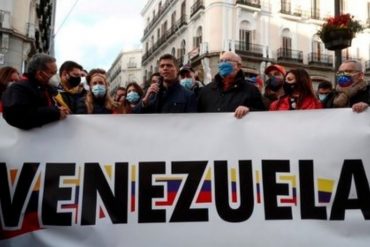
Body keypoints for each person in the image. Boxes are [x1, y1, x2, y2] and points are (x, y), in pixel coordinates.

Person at [2, 53, 69, 129]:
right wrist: (55, 113)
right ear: (40, 73)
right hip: (28, 140)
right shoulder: (19, 88)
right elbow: (17, 116)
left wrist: (61, 110)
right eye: (52, 73)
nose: (55, 76)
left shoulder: (48, 88)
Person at [197, 51, 265, 118]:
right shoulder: (206, 91)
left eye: (227, 60)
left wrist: (249, 110)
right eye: (221, 61)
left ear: (238, 66)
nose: (223, 64)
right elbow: (197, 116)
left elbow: (263, 115)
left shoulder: (251, 90)